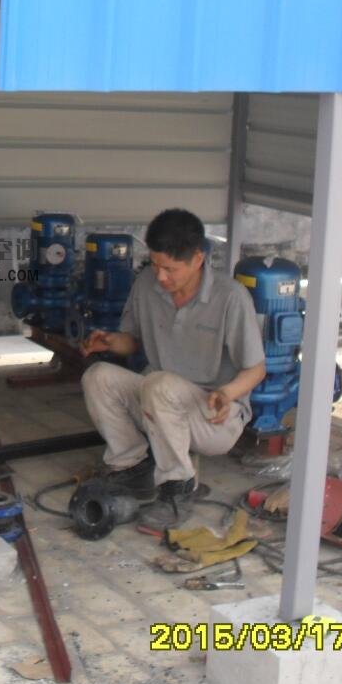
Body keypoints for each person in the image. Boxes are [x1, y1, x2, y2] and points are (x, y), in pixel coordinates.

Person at [79, 208, 265, 532]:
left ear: (198, 259)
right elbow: (132, 341)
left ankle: (178, 489)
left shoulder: (231, 298)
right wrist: (109, 342)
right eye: (155, 264)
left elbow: (256, 369)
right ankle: (132, 469)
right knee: (98, 377)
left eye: (170, 269)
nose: (161, 276)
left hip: (213, 417)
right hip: (157, 401)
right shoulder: (146, 284)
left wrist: (226, 393)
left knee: (159, 385)